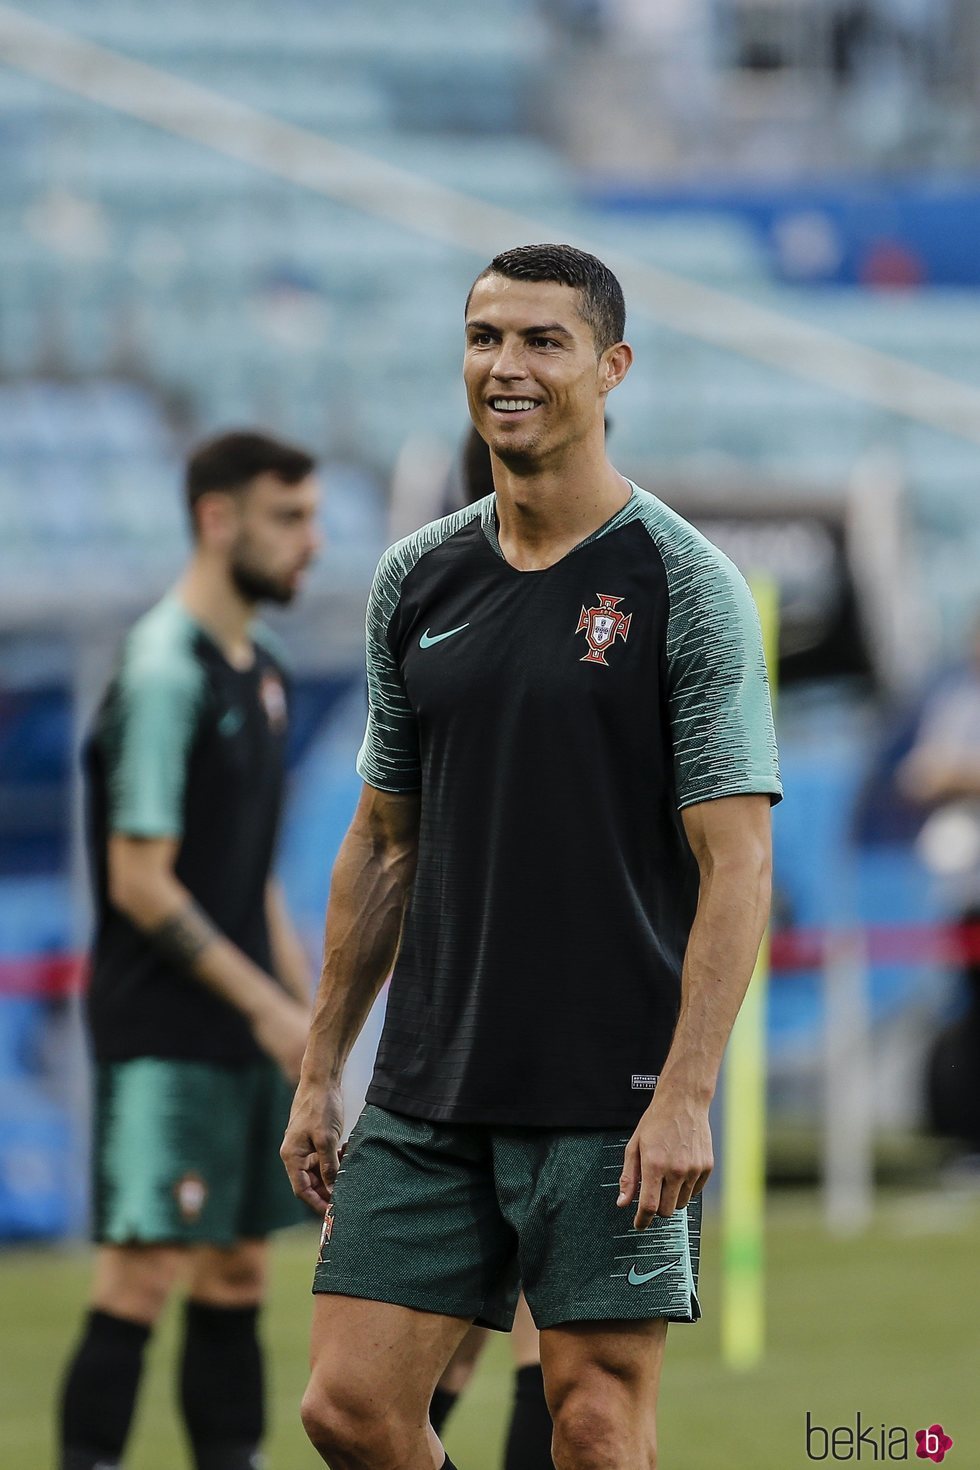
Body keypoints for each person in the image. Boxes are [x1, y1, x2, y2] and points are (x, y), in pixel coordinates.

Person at [282, 243, 782, 1470]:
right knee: (346, 1410)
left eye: (541, 341)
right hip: (429, 1082)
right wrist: (318, 1070)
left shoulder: (683, 585)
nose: (504, 366)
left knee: (597, 1429)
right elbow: (383, 844)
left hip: (608, 1098)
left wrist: (684, 1095)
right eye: (483, 337)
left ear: (609, 368)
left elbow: (738, 865)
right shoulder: (415, 577)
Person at [58, 430, 321, 1470]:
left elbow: (246, 872)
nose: (311, 542)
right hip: (164, 1025)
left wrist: (314, 1019)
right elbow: (138, 878)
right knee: (140, 1274)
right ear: (218, 521)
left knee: (237, 1275)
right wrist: (268, 1010)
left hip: (243, 1022)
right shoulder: (164, 668)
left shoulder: (267, 673)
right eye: (288, 519)